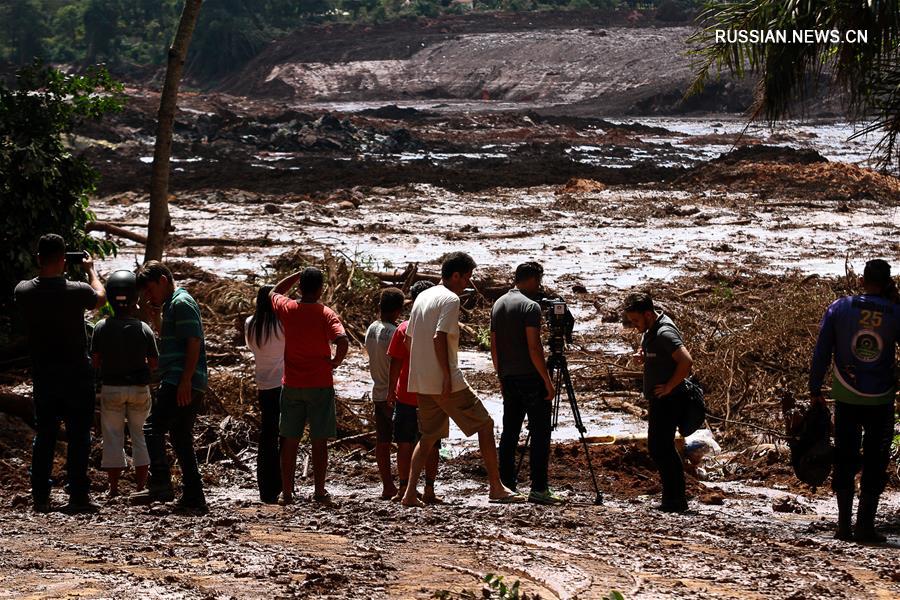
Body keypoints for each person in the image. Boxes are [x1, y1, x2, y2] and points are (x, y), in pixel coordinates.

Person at [400, 252, 522, 507]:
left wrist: (422, 371)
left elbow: (408, 339)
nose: (468, 282)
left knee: (428, 436)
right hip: (447, 381)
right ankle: (496, 487)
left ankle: (410, 493)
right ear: (455, 275)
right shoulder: (450, 299)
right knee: (485, 425)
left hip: (421, 380)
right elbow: (439, 337)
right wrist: (445, 376)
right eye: (467, 277)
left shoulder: (423, 295)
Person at [13, 234, 107, 513]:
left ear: (38, 258)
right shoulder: (78, 290)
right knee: (79, 435)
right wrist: (91, 270)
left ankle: (40, 496)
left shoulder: (23, 291)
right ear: (65, 260)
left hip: (45, 375)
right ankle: (77, 494)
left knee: (45, 435)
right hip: (77, 375)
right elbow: (100, 298)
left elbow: (31, 290)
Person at [809, 259, 900, 543]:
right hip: (880, 399)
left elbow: (822, 351)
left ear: (861, 280)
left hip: (846, 396)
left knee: (845, 458)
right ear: (887, 283)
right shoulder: (896, 313)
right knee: (875, 461)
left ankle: (843, 526)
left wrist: (815, 388)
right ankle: (865, 527)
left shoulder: (839, 308)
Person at [135, 261, 209, 514]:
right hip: (184, 379)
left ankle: (161, 483)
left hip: (180, 379)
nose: (148, 295)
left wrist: (185, 379)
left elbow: (193, 341)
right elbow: (173, 340)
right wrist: (156, 317)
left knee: (152, 427)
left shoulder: (181, 302)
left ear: (163, 280)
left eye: (149, 288)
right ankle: (194, 496)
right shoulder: (173, 305)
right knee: (180, 439)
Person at [270, 267, 349, 505]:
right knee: (319, 440)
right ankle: (319, 490)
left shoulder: (288, 308)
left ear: (301, 288)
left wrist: (294, 275)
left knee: (290, 439)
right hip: (319, 384)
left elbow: (274, 291)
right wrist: (335, 361)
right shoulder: (326, 314)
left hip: (292, 383)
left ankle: (286, 491)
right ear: (321, 289)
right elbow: (342, 340)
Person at [491, 262, 562, 505]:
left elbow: (494, 346)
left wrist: (501, 375)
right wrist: (547, 381)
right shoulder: (530, 307)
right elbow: (534, 347)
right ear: (532, 278)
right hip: (530, 378)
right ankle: (539, 488)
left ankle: (506, 485)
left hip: (509, 377)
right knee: (541, 432)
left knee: (510, 431)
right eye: (538, 280)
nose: (539, 286)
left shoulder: (498, 304)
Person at [623, 292, 693, 513]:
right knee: (660, 447)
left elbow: (686, 361)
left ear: (647, 314)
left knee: (660, 447)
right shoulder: (652, 329)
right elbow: (657, 352)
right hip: (660, 398)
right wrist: (643, 355)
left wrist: (670, 386)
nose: (634, 326)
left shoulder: (664, 332)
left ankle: (676, 500)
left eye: (636, 321)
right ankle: (672, 498)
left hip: (669, 398)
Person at [91, 270, 158, 497]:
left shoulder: (101, 327)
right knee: (141, 437)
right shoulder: (143, 328)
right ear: (135, 299)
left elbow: (96, 361)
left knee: (112, 438)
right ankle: (141, 487)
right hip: (139, 389)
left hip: (111, 388)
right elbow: (154, 362)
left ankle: (113, 489)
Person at [387, 280, 442, 504]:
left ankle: (403, 487)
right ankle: (428, 488)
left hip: (407, 394)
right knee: (431, 443)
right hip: (431, 393)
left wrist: (391, 390)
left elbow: (396, 363)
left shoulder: (403, 328)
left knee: (404, 443)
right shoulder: (438, 329)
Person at [245, 285, 285, 504]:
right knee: (283, 435)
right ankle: (282, 485)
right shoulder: (282, 324)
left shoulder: (250, 324)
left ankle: (266, 488)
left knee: (266, 435)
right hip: (282, 384)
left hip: (263, 385)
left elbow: (252, 349)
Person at [364, 287, 405, 500]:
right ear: (398, 310)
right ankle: (406, 485)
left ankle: (387, 486)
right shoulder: (396, 333)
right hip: (394, 393)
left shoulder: (371, 328)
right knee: (405, 442)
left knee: (383, 442)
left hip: (378, 391)